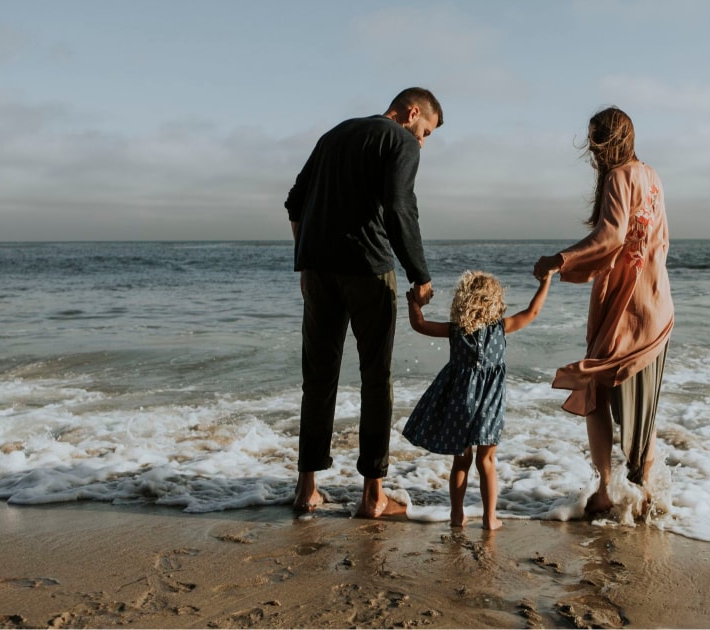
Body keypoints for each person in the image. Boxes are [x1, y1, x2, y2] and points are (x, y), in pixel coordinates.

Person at [284, 87, 443, 518]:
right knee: (376, 379)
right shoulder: (400, 140)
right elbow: (399, 206)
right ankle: (373, 496)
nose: (422, 142)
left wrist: (305, 262)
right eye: (425, 131)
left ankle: (306, 490)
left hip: (317, 271)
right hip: (368, 270)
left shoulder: (334, 134)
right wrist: (419, 273)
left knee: (317, 379)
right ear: (412, 113)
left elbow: (295, 201)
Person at [533, 107, 674, 516]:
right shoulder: (652, 176)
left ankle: (606, 490)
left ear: (601, 143)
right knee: (641, 405)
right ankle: (645, 494)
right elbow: (660, 242)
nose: (593, 156)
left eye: (594, 144)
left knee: (595, 388)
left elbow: (610, 234)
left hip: (623, 306)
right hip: (657, 303)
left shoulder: (618, 176)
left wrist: (560, 260)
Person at [402, 270, 552, 530]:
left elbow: (420, 325)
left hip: (459, 403)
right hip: (489, 406)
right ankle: (489, 518)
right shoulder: (501, 328)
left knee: (461, 461)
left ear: (463, 300)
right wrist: (545, 282)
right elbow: (533, 312)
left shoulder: (456, 330)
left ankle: (457, 515)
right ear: (494, 301)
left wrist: (413, 303)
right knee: (487, 461)